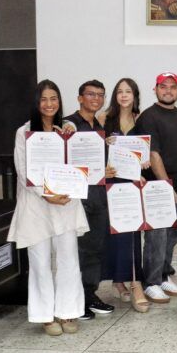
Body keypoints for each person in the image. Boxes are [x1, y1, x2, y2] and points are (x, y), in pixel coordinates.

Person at [8, 80, 88, 336]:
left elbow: (79, 164)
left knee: (68, 259)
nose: (49, 104)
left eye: (54, 98)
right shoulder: (24, 133)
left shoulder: (67, 129)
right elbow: (23, 172)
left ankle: (67, 311)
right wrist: (46, 195)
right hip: (36, 205)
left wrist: (69, 140)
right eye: (44, 99)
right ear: (36, 102)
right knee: (40, 261)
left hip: (65, 203)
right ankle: (45, 315)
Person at [134, 72, 177, 304]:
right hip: (158, 186)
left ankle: (165, 273)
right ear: (155, 89)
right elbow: (153, 153)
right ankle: (152, 282)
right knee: (157, 235)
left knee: (173, 232)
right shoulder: (148, 117)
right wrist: (166, 186)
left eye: (173, 87)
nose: (168, 91)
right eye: (163, 86)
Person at [62, 80, 115, 320]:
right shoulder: (69, 124)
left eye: (100, 95)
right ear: (80, 98)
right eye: (90, 94)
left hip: (98, 196)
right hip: (78, 198)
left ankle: (89, 294)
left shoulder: (98, 126)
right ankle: (75, 299)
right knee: (78, 250)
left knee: (95, 248)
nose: (96, 98)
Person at [99, 78, 150, 313]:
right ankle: (119, 280)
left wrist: (145, 161)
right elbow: (90, 149)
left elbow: (147, 152)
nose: (123, 95)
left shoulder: (142, 119)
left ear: (135, 94)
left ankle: (135, 282)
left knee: (131, 235)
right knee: (114, 235)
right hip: (110, 183)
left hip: (133, 184)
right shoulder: (103, 118)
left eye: (128, 91)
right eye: (119, 91)